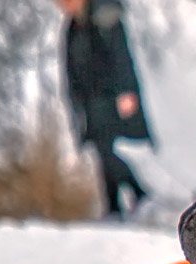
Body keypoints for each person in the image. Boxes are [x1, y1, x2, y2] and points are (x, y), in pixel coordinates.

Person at [55, 0, 151, 219]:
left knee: (114, 151)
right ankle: (117, 204)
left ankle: (139, 194)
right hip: (90, 102)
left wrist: (126, 90)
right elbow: (71, 67)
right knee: (102, 151)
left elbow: (121, 55)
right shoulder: (72, 27)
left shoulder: (105, 14)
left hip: (112, 99)